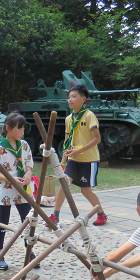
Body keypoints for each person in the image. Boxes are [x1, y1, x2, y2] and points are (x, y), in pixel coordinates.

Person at [49, 85, 107, 226]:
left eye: (74, 96)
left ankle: (101, 214)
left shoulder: (89, 116)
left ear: (83, 99)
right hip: (73, 160)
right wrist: (63, 162)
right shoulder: (69, 119)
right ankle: (55, 216)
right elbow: (67, 141)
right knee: (64, 185)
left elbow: (97, 139)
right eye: (69, 97)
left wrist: (79, 151)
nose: (70, 100)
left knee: (85, 191)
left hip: (89, 160)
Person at [0, 112, 40, 270]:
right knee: (2, 224)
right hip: (6, 191)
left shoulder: (24, 145)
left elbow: (29, 165)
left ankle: (29, 254)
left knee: (28, 222)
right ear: (9, 129)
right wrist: (10, 179)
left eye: (24, 129)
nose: (22, 132)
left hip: (23, 191)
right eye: (20, 128)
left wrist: (28, 173)